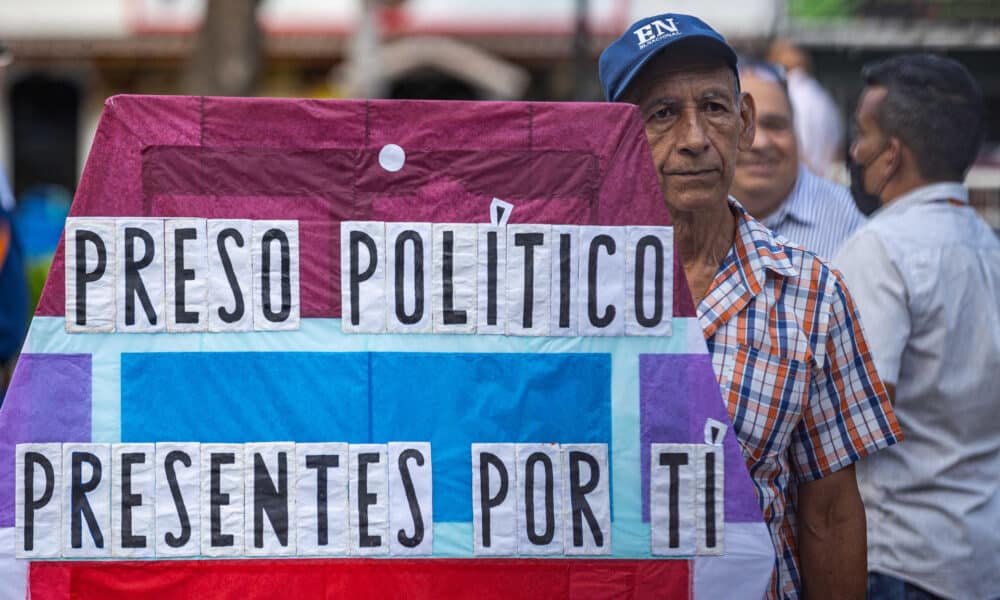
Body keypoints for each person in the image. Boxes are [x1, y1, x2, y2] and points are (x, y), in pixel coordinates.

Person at [599, 14, 900, 599]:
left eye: (713, 107)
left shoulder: (812, 294)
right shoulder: (567, 288)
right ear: (618, 140)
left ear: (744, 122)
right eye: (661, 115)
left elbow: (831, 513)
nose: (693, 138)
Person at [834, 54, 1000, 599]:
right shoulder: (988, 249)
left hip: (901, 560)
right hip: (978, 557)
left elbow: (857, 413)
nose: (855, 152)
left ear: (893, 155)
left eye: (862, 135)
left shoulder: (881, 249)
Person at [730, 59, 865, 260]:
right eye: (742, 127)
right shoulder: (684, 217)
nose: (759, 142)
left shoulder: (853, 224)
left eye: (775, 125)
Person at [768, 39, 844, 178]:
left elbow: (796, 149)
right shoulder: (824, 98)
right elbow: (838, 150)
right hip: (825, 181)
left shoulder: (785, 95)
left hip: (801, 182)